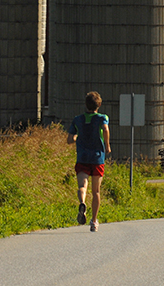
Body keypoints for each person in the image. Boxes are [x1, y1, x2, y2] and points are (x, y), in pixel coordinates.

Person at [67, 91, 111, 232]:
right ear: (99, 105)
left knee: (82, 186)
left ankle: (82, 203)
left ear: (86, 104)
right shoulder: (102, 118)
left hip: (82, 158)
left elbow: (69, 139)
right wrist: (107, 145)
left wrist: (76, 138)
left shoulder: (77, 119)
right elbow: (105, 128)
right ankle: (94, 221)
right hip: (97, 158)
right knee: (96, 191)